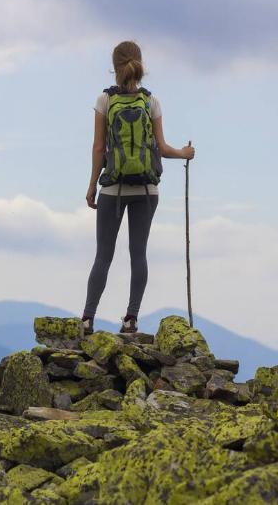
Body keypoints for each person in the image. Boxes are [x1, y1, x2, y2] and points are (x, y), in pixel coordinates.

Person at [81, 40, 195, 334]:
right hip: (146, 190)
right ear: (139, 63)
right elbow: (162, 147)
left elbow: (98, 148)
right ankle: (131, 318)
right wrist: (184, 153)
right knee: (138, 253)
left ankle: (87, 318)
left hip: (112, 189)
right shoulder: (151, 101)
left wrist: (92, 184)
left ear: (114, 66)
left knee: (103, 255)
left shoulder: (104, 101)